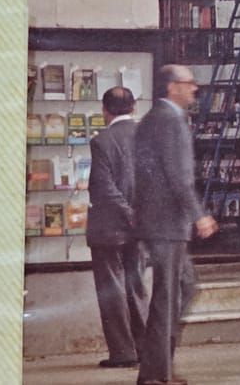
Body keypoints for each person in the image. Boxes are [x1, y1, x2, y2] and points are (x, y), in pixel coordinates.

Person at [133, 65, 218, 385]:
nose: (194, 89)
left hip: (159, 222)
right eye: (188, 83)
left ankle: (157, 368)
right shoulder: (170, 121)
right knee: (168, 297)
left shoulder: (154, 118)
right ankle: (155, 375)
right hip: (167, 223)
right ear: (172, 87)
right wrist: (199, 213)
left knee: (182, 287)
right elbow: (178, 176)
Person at [86, 86, 147, 369]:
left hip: (109, 228)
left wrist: (126, 212)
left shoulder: (102, 141)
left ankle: (123, 352)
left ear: (105, 110)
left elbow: (103, 187)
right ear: (133, 107)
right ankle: (145, 348)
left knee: (112, 290)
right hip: (140, 226)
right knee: (136, 286)